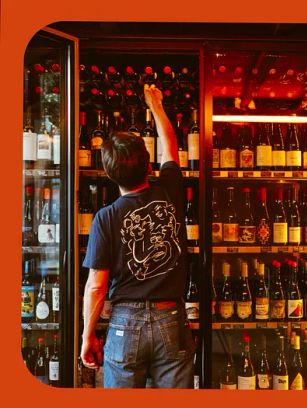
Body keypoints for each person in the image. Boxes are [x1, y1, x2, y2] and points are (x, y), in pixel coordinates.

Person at [80, 84, 195, 388]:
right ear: (149, 164)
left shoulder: (105, 217)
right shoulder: (170, 190)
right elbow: (170, 144)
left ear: (109, 174)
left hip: (124, 322)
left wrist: (86, 336)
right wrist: (155, 104)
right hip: (171, 316)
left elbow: (96, 287)